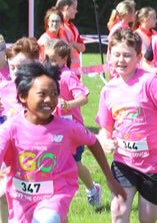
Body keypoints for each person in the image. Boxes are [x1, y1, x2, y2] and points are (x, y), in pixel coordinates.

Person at [0, 62, 124, 223]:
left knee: (47, 219)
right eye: (42, 94)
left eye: (55, 94)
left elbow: (92, 141)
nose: (49, 100)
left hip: (56, 194)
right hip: (21, 200)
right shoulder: (9, 128)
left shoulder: (67, 127)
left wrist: (109, 178)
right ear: (23, 96)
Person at [95, 29, 157, 223]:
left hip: (156, 163)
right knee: (118, 211)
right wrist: (105, 140)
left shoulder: (150, 83)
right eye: (116, 54)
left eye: (127, 55)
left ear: (139, 57)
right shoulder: (108, 90)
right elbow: (104, 127)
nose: (121, 60)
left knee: (147, 217)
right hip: (124, 160)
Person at [0, 38, 40, 223]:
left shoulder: (43, 90)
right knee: (1, 195)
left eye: (21, 68)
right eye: (12, 68)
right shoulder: (7, 86)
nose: (15, 73)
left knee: (46, 203)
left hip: (40, 155)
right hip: (15, 154)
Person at [44, 40, 104, 208]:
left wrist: (69, 105)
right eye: (47, 58)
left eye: (53, 60)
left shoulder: (67, 76)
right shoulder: (46, 75)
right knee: (52, 162)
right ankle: (53, 196)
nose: (49, 63)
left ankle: (93, 189)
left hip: (72, 130)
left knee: (75, 164)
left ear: (64, 59)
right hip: (53, 127)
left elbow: (84, 97)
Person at [55, 0, 87, 71]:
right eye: (74, 8)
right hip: (63, 70)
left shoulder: (73, 27)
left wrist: (73, 44)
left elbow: (83, 48)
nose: (76, 11)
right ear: (66, 8)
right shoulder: (58, 26)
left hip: (75, 71)